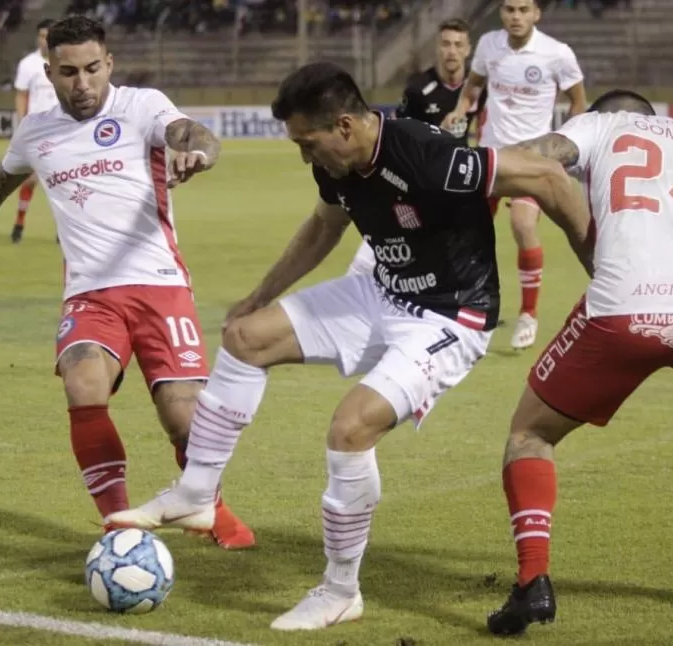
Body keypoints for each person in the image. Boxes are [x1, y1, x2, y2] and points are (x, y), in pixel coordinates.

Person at [105, 61, 592, 631]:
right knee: (245, 337)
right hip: (380, 292)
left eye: (308, 144)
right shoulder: (335, 166)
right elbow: (323, 227)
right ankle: (196, 492)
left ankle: (340, 591)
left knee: (350, 430)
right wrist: (259, 295)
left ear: (343, 126)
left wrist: (603, 274)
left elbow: (544, 177)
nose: (304, 157)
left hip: (451, 318)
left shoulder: (424, 154)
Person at [0, 15, 255, 550]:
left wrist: (196, 153)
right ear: (50, 71)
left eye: (92, 68)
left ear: (108, 63)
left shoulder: (142, 106)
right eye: (68, 72)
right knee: (82, 384)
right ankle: (118, 525)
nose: (82, 83)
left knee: (185, 421)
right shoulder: (36, 131)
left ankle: (211, 506)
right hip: (89, 294)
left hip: (160, 285)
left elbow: (192, 133)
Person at [485, 89, 673, 636]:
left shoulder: (602, 126)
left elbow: (537, 155)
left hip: (624, 308)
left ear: (609, 112)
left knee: (530, 435)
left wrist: (473, 179)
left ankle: (533, 582)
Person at [443, 0, 587, 349]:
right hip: (490, 156)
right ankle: (462, 305)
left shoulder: (557, 53)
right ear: (502, 14)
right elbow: (473, 86)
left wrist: (564, 144)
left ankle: (528, 315)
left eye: (523, 9)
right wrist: (461, 109)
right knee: (465, 232)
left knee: (523, 225)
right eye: (509, 9)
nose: (516, 16)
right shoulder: (489, 45)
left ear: (536, 14)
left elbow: (579, 102)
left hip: (530, 159)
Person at [345, 17, 481, 278]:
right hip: (412, 182)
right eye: (445, 44)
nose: (451, 50)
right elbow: (394, 134)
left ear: (467, 49)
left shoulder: (478, 88)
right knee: (388, 243)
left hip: (452, 184)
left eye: (457, 44)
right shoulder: (418, 88)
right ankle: (354, 282)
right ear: (437, 48)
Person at [10, 19, 59, 244]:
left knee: (64, 181)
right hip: (37, 130)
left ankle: (63, 231)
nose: (44, 40)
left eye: (47, 36)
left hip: (64, 130)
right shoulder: (28, 64)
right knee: (30, 179)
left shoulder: (66, 60)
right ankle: (19, 222)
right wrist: (22, 126)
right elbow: (21, 95)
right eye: (41, 36)